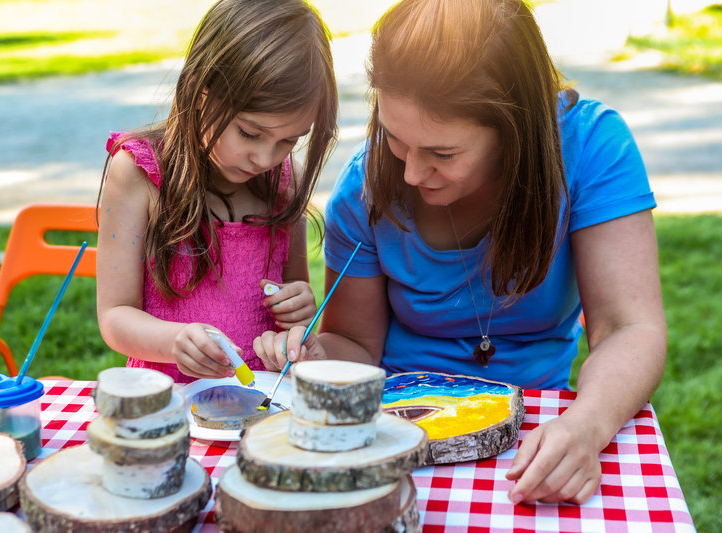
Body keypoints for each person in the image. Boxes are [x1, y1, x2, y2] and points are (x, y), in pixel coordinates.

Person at [254, 0, 666, 506]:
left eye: (443, 154)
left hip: (541, 434)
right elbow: (355, 344)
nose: (409, 173)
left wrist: (584, 428)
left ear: (516, 130)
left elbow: (629, 328)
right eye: (395, 138)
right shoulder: (362, 190)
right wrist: (318, 355)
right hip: (399, 429)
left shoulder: (592, 148)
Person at [96, 0, 338, 384]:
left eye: (288, 140)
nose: (265, 158)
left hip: (264, 406)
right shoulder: (138, 173)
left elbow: (295, 292)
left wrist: (298, 310)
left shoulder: (282, 180)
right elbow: (114, 316)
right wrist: (174, 341)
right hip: (172, 407)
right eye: (250, 133)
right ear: (199, 87)